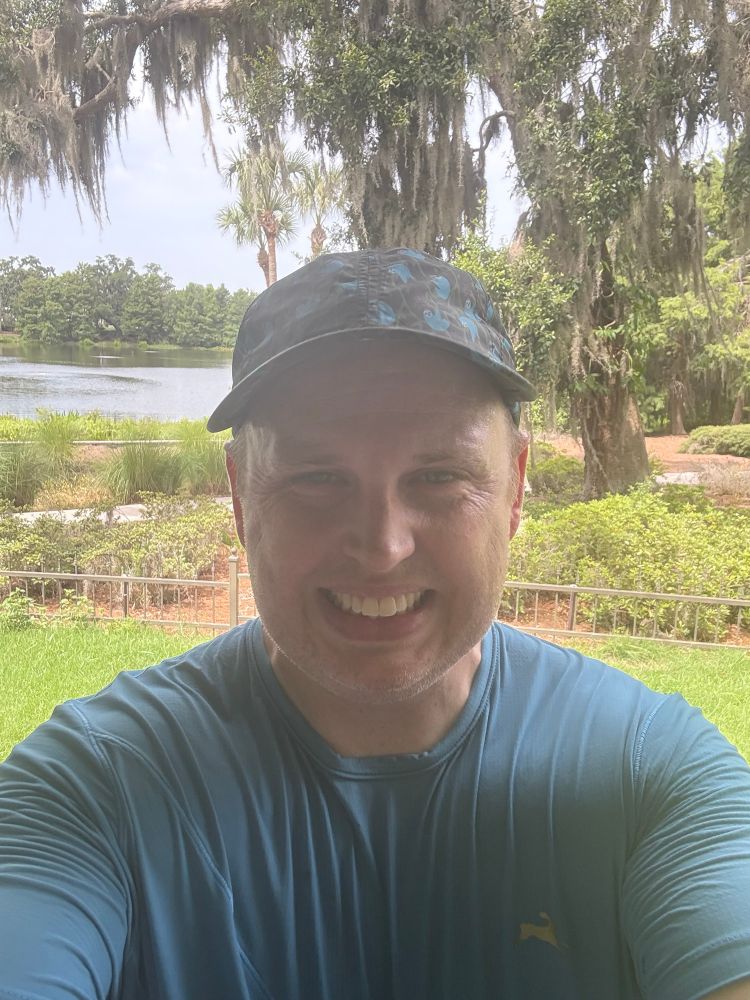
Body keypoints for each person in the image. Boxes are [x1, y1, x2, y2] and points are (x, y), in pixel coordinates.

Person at [1, 248, 749, 1000]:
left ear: (516, 487)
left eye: (439, 477)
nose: (383, 546)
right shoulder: (92, 790)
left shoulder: (656, 778)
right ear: (239, 495)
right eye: (317, 478)